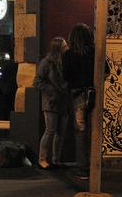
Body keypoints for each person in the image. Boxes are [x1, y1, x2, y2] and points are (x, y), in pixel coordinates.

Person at [62, 23, 95, 180]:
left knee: (80, 131)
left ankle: (83, 169)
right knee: (96, 132)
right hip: (94, 93)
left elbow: (66, 76)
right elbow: (106, 71)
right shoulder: (94, 52)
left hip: (77, 95)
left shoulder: (68, 54)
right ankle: (96, 166)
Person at [35, 37, 71, 170]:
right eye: (64, 46)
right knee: (50, 130)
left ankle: (56, 159)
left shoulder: (66, 61)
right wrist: (52, 91)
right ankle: (42, 159)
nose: (67, 48)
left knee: (60, 132)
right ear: (58, 48)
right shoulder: (47, 62)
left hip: (64, 101)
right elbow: (37, 81)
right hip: (51, 102)